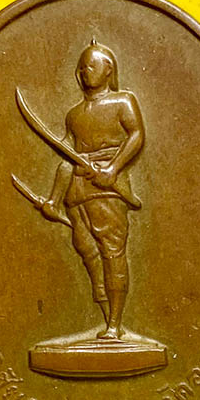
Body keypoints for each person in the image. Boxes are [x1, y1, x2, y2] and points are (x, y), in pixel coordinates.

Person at [42, 39, 145, 340]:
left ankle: (115, 324)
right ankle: (104, 315)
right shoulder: (74, 114)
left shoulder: (123, 101)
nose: (84, 71)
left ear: (108, 70)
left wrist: (113, 168)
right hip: (77, 190)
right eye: (82, 67)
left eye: (91, 66)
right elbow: (67, 154)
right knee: (86, 250)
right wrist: (55, 198)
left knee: (112, 252)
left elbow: (137, 135)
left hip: (107, 188)